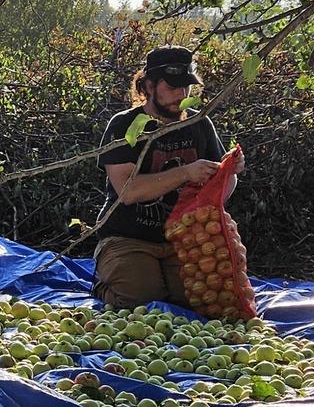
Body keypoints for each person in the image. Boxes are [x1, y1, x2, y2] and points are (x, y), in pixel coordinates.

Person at [89, 46, 244, 309]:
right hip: (128, 238)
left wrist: (231, 171)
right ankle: (105, 285)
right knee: (140, 302)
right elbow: (128, 191)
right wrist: (185, 172)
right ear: (148, 87)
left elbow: (221, 188)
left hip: (184, 239)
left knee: (202, 302)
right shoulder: (124, 125)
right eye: (172, 87)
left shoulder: (199, 124)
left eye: (186, 87)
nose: (181, 95)